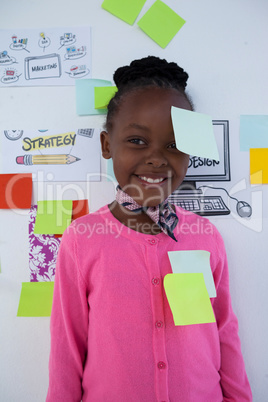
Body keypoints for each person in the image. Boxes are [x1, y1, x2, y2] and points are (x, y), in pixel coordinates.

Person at [46, 56, 252, 401]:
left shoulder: (206, 237)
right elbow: (67, 345)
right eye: (138, 141)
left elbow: (223, 329)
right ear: (107, 145)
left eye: (174, 145)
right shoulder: (82, 239)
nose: (157, 158)